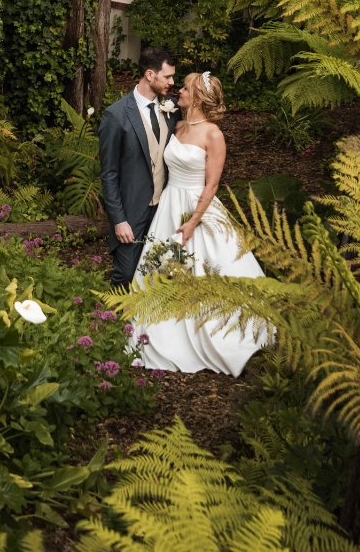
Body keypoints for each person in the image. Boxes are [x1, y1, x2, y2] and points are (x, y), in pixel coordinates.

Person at [133, 70, 271, 377]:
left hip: (198, 208)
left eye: (184, 87)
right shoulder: (177, 125)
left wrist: (193, 222)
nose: (178, 90)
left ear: (197, 97)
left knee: (209, 270)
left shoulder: (213, 134)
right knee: (163, 269)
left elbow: (212, 185)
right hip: (170, 203)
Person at [98, 45, 179, 288]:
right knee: (125, 272)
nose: (172, 82)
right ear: (149, 75)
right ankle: (113, 323)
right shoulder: (116, 115)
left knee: (159, 271)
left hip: (164, 208)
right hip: (131, 211)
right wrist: (118, 220)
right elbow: (109, 174)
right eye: (167, 76)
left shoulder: (172, 109)